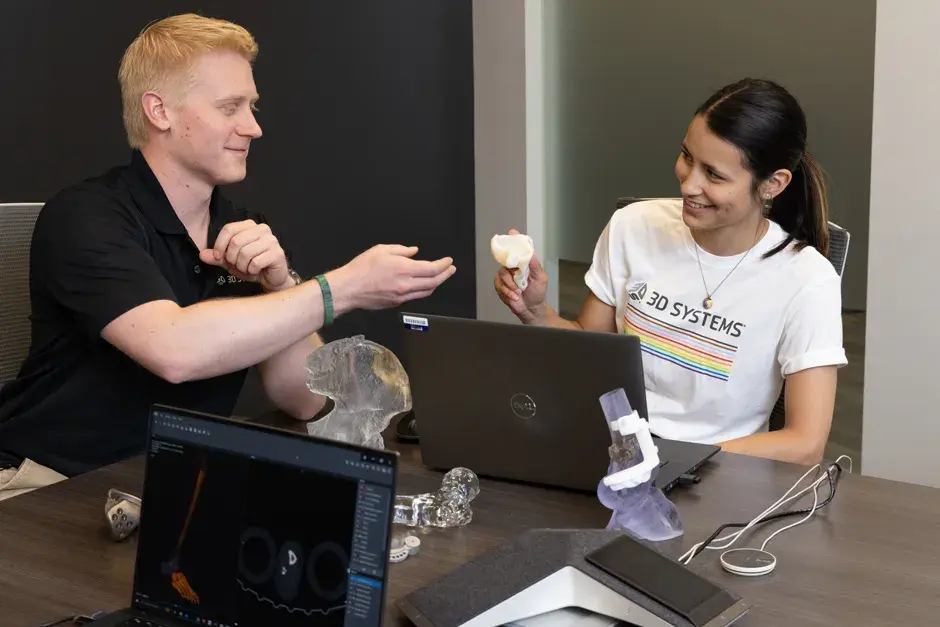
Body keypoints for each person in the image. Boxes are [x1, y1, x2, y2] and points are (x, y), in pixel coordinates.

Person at [0, 13, 456, 492]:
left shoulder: (243, 232)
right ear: (160, 112)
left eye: (251, 107)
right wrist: (342, 288)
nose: (253, 127)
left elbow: (304, 399)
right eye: (230, 107)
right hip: (48, 482)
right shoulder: (86, 216)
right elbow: (174, 352)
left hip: (168, 481)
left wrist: (279, 285)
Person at [495, 78, 846, 466]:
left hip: (718, 469)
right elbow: (589, 353)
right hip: (613, 453)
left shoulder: (807, 280)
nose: (689, 184)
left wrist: (676, 460)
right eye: (687, 157)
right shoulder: (633, 226)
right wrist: (536, 312)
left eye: (714, 174)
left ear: (772, 184)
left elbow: (805, 443)